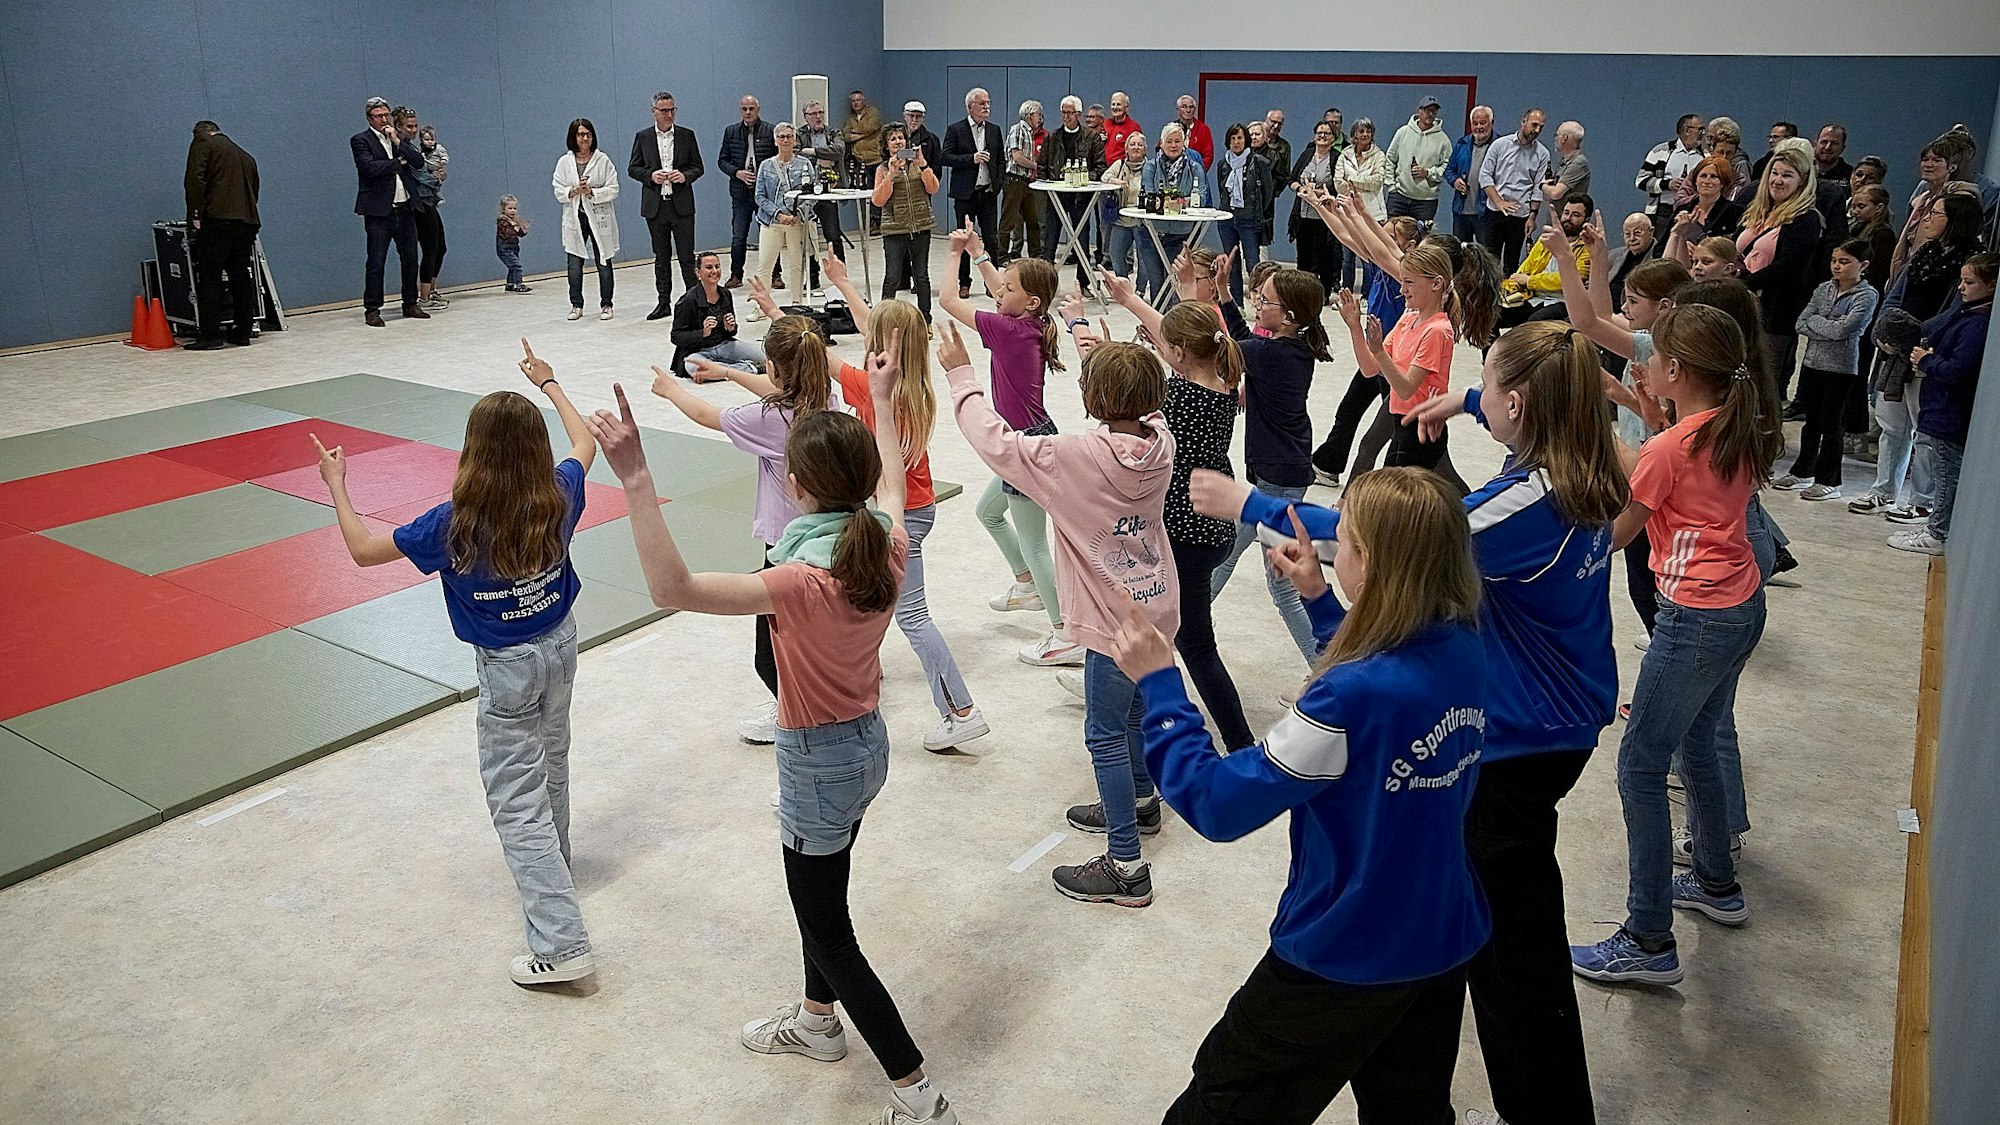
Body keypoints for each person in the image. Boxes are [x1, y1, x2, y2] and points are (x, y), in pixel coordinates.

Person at [588, 351, 964, 1125]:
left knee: (829, 929)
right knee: (822, 900)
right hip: (866, 748)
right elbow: (894, 482)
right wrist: (885, 400)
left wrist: (633, 477)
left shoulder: (801, 579)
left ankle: (916, 1090)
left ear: (798, 486)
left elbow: (674, 590)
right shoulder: (883, 541)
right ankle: (818, 1021)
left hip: (820, 761)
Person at [1152, 467, 1489, 1124]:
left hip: (1345, 948)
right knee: (1410, 1108)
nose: (1340, 557)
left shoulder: (1344, 698)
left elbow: (1217, 802)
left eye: (1350, 546)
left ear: (1376, 568)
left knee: (1219, 1104)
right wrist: (1319, 600)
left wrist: (1162, 686)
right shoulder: (1464, 647)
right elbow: (1390, 688)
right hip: (1438, 933)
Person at [316, 339, 598, 986]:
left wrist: (337, 484)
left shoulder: (455, 521)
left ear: (473, 449)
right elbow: (584, 442)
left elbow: (362, 549)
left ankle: (559, 940)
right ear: (533, 449)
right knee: (551, 760)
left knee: (515, 798)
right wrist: (550, 382)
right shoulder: (559, 492)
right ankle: (556, 865)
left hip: (508, 668)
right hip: (560, 647)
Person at [1570, 303, 1782, 988]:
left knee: (1638, 764)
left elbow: (1619, 530)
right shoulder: (1737, 423)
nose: (1644, 363)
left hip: (1695, 617)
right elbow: (1674, 467)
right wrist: (1645, 414)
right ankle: (1717, 882)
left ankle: (1648, 936)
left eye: (1654, 356)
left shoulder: (1667, 450)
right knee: (1700, 741)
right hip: (1742, 605)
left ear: (1677, 370)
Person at [945, 324, 1179, 907]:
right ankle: (1144, 801)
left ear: (1094, 400)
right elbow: (1128, 397)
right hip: (1157, 605)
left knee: (1103, 732)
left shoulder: (1068, 458)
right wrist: (1093, 348)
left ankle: (1126, 866)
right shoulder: (1163, 442)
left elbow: (996, 442)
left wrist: (961, 376)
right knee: (1134, 716)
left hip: (1111, 623)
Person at [1084, 282, 1255, 751]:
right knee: (1176, 633)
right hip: (1215, 520)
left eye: (1167, 347)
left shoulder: (1178, 396)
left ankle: (1238, 743)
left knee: (1194, 644)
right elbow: (1177, 345)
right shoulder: (1223, 379)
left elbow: (1132, 406)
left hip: (1187, 532)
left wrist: (1107, 357)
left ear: (1178, 353)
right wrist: (1129, 302)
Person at [940, 224, 1075, 666]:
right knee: (988, 512)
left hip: (1025, 447)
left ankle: (1063, 632)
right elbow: (1002, 289)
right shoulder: (1027, 321)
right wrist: (980, 252)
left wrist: (954, 252)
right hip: (1028, 437)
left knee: (1037, 543)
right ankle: (1026, 583)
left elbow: (947, 301)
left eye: (1009, 288)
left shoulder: (1008, 330)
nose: (998, 292)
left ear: (1030, 301)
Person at [1207, 259, 1332, 667]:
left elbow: (1222, 347)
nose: (1257, 304)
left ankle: (1324, 669)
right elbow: (1244, 340)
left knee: (1276, 586)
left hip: (1278, 480)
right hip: (1280, 474)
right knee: (1231, 560)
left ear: (1290, 315)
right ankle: (1181, 622)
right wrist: (1224, 295)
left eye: (1265, 300)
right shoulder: (1288, 347)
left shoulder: (1275, 354)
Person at [1306, 197, 1420, 487]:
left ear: (1408, 247)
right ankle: (1327, 465)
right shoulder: (1381, 267)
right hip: (1375, 354)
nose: (1379, 240)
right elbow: (1346, 235)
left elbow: (1371, 242)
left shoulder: (1402, 274)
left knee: (1391, 435)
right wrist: (1323, 208)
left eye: (1390, 237)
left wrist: (1358, 212)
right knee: (1349, 409)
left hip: (1395, 361)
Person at [1889, 253, 1994, 556]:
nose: (1961, 287)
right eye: (1961, 280)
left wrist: (1927, 360)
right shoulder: (1965, 314)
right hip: (1940, 408)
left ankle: (1939, 533)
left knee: (1947, 476)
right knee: (1943, 472)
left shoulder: (1978, 325)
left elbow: (1959, 369)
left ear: (1991, 285)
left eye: (1969, 282)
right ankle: (1937, 524)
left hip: (1950, 412)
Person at [1772, 240, 1879, 501]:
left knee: (1832, 425)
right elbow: (1801, 322)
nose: (1837, 267)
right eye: (1834, 261)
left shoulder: (1867, 295)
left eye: (1844, 262)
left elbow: (1846, 329)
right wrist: (1827, 325)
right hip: (1812, 363)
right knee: (1812, 421)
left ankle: (1829, 479)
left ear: (1862, 265)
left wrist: (1820, 324)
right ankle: (1803, 471)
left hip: (1841, 368)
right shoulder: (1823, 289)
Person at [1343, 243, 1461, 476]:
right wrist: (1355, 327)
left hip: (1421, 429)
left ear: (1436, 284)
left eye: (1409, 282)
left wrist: (1379, 351)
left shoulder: (1437, 330)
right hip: (1402, 424)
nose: (1402, 289)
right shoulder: (1408, 320)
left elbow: (1406, 388)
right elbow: (1369, 369)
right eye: (1403, 281)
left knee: (1398, 499)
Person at [1737, 139, 1825, 406]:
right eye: (1774, 173)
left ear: (1802, 181)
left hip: (1774, 314)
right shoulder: (1758, 211)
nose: (1778, 180)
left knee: (1763, 385)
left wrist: (1743, 282)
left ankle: (1767, 442)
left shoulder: (1806, 219)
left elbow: (1788, 267)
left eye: (1787, 175)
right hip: (1743, 306)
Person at [182, 120, 261, 350]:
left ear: (199, 134)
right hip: (246, 221)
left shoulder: (203, 143)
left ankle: (211, 336)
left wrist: (195, 213)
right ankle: (242, 332)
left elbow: (195, 180)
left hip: (217, 219)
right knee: (240, 276)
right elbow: (254, 190)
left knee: (210, 277)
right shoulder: (244, 154)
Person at [350, 96, 426, 328]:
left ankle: (410, 303)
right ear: (369, 119)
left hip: (404, 207)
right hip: (379, 210)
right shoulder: (360, 140)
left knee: (411, 258)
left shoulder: (398, 139)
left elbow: (418, 162)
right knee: (376, 261)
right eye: (378, 116)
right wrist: (398, 163)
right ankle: (372, 308)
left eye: (386, 115)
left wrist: (397, 141)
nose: (384, 120)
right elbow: (369, 168)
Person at [628, 92, 704, 320]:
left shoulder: (686, 135)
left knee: (687, 257)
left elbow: (698, 166)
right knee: (661, 257)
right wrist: (651, 175)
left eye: (672, 110)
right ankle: (663, 303)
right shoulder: (642, 137)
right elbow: (633, 168)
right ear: (654, 112)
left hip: (681, 205)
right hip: (656, 206)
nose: (669, 114)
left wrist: (685, 175)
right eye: (664, 111)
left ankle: (695, 302)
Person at [552, 119, 619, 321]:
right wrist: (573, 191)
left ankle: (606, 304)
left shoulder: (603, 160)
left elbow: (613, 188)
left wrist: (592, 192)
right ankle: (576, 304)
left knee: (604, 260)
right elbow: (558, 189)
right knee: (574, 261)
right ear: (573, 137)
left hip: (598, 216)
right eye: (581, 134)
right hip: (575, 216)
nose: (585, 138)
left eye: (588, 134)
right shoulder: (565, 162)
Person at [747, 123, 815, 320]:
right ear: (775, 140)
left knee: (796, 264)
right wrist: (778, 214)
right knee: (765, 265)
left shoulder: (804, 164)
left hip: (796, 222)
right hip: (771, 222)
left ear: (794, 140)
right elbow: (759, 196)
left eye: (789, 137)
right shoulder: (766, 166)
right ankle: (761, 307)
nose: (786, 140)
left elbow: (811, 193)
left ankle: (797, 304)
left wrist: (799, 213)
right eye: (782, 137)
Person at [941, 89, 1004, 299]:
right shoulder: (956, 129)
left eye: (988, 103)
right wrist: (972, 158)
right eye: (982, 103)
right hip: (965, 194)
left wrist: (998, 184)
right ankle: (964, 282)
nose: (987, 107)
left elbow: (1001, 160)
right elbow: (946, 157)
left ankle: (991, 281)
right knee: (965, 239)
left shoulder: (994, 130)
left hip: (987, 193)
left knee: (991, 240)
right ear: (970, 107)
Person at [874, 124, 940, 321]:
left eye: (901, 138)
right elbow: (878, 200)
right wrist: (891, 175)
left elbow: (933, 188)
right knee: (892, 277)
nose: (898, 142)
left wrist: (924, 165)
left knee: (921, 276)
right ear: (886, 146)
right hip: (894, 229)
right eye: (893, 139)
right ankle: (884, 320)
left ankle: (925, 320)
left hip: (920, 226)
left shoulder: (918, 165)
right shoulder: (883, 169)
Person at [1041, 96, 1108, 288]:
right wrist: (1051, 182)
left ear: (1078, 114)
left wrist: (1085, 179)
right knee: (1050, 240)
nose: (1066, 116)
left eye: (1070, 113)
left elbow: (1101, 166)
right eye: (1063, 112)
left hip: (1081, 196)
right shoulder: (1052, 137)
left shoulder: (1091, 137)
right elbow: (1042, 165)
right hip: (1056, 195)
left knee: (1082, 240)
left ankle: (1083, 282)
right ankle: (1046, 283)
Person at [1139, 125, 1207, 301]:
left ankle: (1176, 326)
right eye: (1169, 141)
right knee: (1156, 285)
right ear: (1161, 144)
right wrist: (1178, 200)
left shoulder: (1195, 168)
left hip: (1181, 235)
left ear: (1184, 143)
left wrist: (1178, 202)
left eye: (1177, 141)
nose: (1173, 145)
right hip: (1152, 234)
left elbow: (1200, 198)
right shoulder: (1150, 167)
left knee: (1176, 283)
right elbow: (1150, 195)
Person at [1479, 109, 1550, 274]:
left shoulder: (1542, 154)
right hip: (1495, 212)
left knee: (1512, 262)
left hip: (1520, 215)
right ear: (1523, 122)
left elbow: (1538, 188)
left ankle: (1509, 296)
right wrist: (1499, 202)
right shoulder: (1500, 145)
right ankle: (1488, 296)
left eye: (1541, 127)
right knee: (1489, 261)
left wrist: (1532, 217)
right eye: (1534, 125)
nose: (1537, 130)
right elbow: (1485, 176)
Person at [669, 252, 763, 377]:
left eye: (717, 267)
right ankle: (749, 368)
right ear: (698, 272)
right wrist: (703, 333)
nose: (714, 271)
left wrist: (731, 328)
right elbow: (676, 336)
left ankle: (722, 370)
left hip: (725, 346)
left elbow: (732, 332)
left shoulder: (725, 294)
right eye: (709, 267)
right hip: (698, 352)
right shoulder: (688, 300)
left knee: (766, 355)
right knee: (694, 367)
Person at [719, 95, 778, 289]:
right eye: (744, 109)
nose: (748, 112)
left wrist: (763, 177)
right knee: (739, 235)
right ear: (740, 110)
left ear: (758, 110)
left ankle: (775, 275)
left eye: (751, 108)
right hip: (740, 192)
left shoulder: (770, 131)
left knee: (770, 234)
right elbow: (722, 160)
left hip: (765, 194)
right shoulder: (731, 132)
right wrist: (737, 173)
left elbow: (776, 160)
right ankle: (736, 274)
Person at [1214, 124, 1276, 301]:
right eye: (1232, 138)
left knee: (1252, 263)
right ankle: (1237, 302)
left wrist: (1255, 210)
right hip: (1227, 219)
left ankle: (1259, 300)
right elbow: (1222, 190)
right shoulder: (1223, 164)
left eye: (1239, 138)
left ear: (1246, 140)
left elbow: (1268, 192)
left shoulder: (1260, 163)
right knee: (1231, 263)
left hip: (1250, 220)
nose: (1236, 142)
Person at [397, 109, 449, 312]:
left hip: (429, 201)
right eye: (409, 126)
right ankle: (424, 297)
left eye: (415, 125)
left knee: (440, 247)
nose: (413, 129)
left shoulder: (411, 148)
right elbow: (418, 174)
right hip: (419, 203)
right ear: (399, 127)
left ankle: (431, 289)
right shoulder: (402, 147)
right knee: (430, 248)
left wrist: (438, 174)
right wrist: (436, 178)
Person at [797, 101, 850, 295]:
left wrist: (812, 152)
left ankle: (841, 276)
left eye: (821, 113)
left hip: (829, 192)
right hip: (807, 192)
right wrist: (820, 159)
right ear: (806, 117)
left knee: (833, 235)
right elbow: (795, 155)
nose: (818, 117)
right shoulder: (799, 134)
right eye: (813, 114)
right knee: (808, 238)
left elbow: (839, 151)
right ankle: (812, 277)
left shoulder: (834, 132)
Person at [1288, 121, 1345, 295]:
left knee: (1323, 258)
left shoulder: (1337, 157)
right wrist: (1301, 189)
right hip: (1303, 215)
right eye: (1319, 133)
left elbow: (1339, 186)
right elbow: (1291, 179)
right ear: (1314, 136)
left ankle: (1323, 294)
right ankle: (1302, 292)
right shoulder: (1307, 154)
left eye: (1327, 133)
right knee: (1303, 257)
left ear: (1333, 138)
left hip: (1324, 216)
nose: (1322, 136)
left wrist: (1319, 193)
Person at [1334, 119, 1388, 292]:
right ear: (1354, 135)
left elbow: (1377, 182)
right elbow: (1337, 182)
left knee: (1368, 257)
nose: (1365, 135)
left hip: (1371, 213)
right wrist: (1358, 182)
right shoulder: (1345, 154)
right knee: (1347, 257)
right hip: (1348, 211)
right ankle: (1347, 292)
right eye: (1361, 131)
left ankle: (1366, 294)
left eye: (1368, 131)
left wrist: (1351, 181)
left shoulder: (1379, 155)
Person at [1638, 114, 1707, 243]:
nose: (1703, 134)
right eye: (1700, 129)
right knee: (1660, 251)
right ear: (1686, 130)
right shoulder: (1661, 152)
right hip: (1663, 212)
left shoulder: (1706, 156)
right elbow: (1641, 181)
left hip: (1693, 212)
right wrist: (1667, 184)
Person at [1384, 95, 1451, 224]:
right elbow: (1390, 159)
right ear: (1419, 111)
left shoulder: (1443, 140)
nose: (1430, 114)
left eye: (1434, 111)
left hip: (1426, 202)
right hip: (1399, 197)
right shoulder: (1402, 132)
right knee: (1392, 236)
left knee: (1421, 240)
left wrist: (1428, 173)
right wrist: (1392, 186)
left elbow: (1446, 167)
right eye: (1427, 110)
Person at [1000, 100, 1047, 264]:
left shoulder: (1029, 133)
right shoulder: (1018, 129)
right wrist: (1036, 166)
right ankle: (1001, 256)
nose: (1040, 119)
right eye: (1038, 115)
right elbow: (1017, 156)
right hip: (1015, 180)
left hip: (1026, 181)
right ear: (1029, 115)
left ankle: (1035, 254)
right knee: (1008, 220)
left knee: (1033, 220)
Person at [1666, 156, 1745, 248]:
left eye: (1713, 177)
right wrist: (1682, 247)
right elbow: (1660, 249)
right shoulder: (1682, 209)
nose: (1707, 181)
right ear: (1695, 181)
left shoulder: (1736, 212)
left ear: (1723, 183)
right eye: (1703, 176)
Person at [1443, 105, 1496, 244]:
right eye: (1475, 123)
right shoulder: (1462, 144)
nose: (1478, 127)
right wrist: (1455, 181)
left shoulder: (1499, 146)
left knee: (1485, 254)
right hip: (1461, 210)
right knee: (1460, 252)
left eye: (1483, 123)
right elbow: (1449, 170)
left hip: (1486, 212)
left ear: (1491, 123)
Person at [1102, 131, 1150, 283]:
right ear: (1126, 148)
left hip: (1142, 221)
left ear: (1145, 149)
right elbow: (1104, 177)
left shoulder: (1150, 167)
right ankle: (1124, 284)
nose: (1136, 147)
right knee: (1115, 254)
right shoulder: (1119, 164)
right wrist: (1117, 182)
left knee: (1144, 259)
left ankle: (1140, 290)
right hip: (1122, 219)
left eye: (1140, 145)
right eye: (1133, 144)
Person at [1537, 121, 1591, 230]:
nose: (1555, 139)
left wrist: (1541, 185)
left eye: (1557, 135)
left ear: (1564, 138)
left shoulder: (1578, 163)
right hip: (1556, 221)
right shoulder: (1564, 162)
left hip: (1567, 226)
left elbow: (1556, 193)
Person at [1705, 118, 1754, 204]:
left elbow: (1744, 200)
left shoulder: (1740, 174)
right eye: (1720, 152)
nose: (1724, 157)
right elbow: (1681, 198)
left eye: (1729, 153)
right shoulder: (1699, 170)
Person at [843, 89, 884, 188]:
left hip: (876, 160)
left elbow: (870, 127)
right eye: (853, 101)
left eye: (858, 100)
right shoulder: (850, 119)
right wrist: (865, 135)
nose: (856, 103)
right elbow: (846, 136)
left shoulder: (873, 113)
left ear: (864, 100)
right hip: (859, 162)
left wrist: (855, 131)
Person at [1747, 121, 1800, 187]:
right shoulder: (1760, 165)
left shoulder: (1801, 164)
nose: (1770, 141)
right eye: (1770, 137)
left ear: (1789, 139)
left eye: (1775, 137)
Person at [496, 195, 532, 293]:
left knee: (512, 267)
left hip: (514, 248)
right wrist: (514, 228)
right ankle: (518, 284)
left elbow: (520, 234)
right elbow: (507, 233)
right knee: (517, 266)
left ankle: (510, 284)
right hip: (505, 249)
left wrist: (523, 229)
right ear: (503, 210)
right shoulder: (502, 221)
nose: (513, 211)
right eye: (510, 208)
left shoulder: (514, 221)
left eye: (515, 208)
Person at [1173, 94, 1214, 169]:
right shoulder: (1171, 128)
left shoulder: (1203, 129)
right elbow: (1160, 149)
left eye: (1191, 107)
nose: (1188, 110)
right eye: (1184, 107)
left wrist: (1198, 172)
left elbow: (1208, 157)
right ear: (1178, 110)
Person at [901, 101, 942, 173]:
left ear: (923, 118)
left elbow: (937, 168)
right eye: (911, 116)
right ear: (905, 116)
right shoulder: (897, 138)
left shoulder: (931, 139)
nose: (914, 120)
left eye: (918, 116)